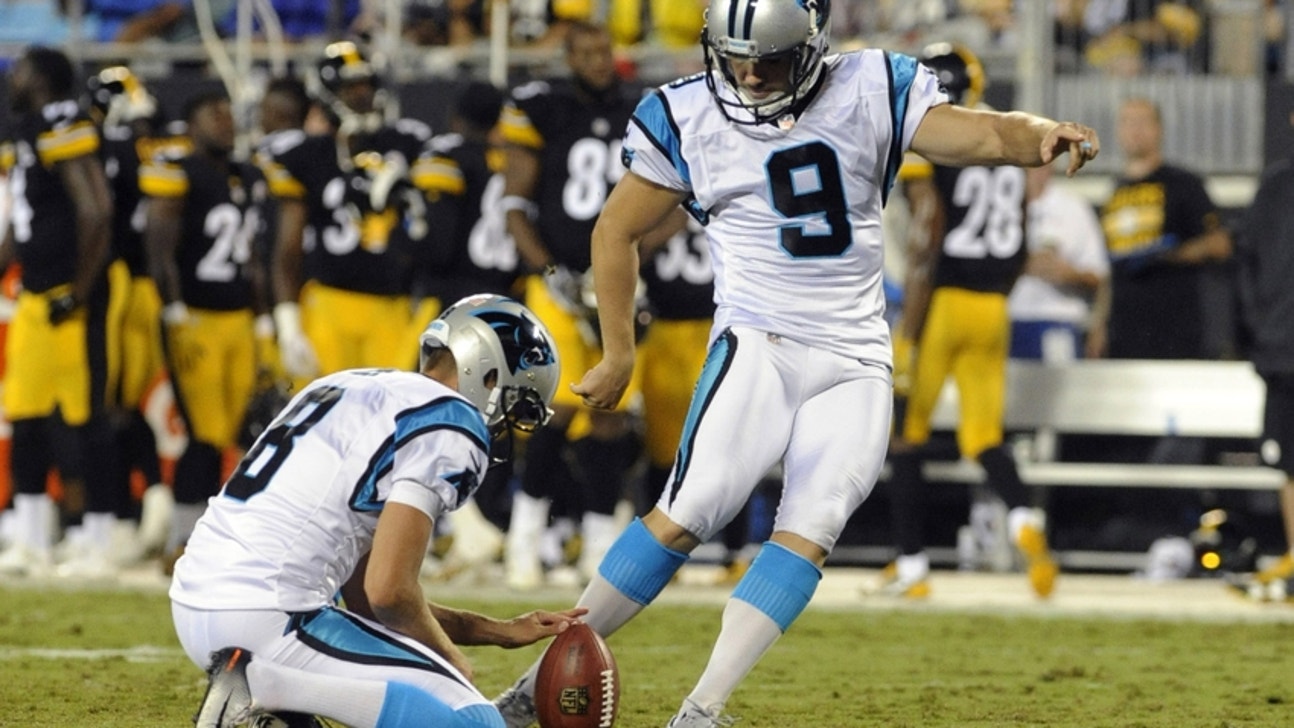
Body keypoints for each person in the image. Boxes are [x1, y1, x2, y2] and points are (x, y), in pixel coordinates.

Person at [492, 1, 1101, 725]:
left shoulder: (870, 85)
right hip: (759, 341)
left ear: (812, 50)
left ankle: (702, 710)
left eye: (769, 58)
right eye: (737, 55)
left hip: (856, 356)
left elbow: (983, 132)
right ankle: (535, 688)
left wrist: (1041, 136)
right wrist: (620, 349)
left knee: (812, 526)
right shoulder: (687, 112)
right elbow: (616, 229)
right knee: (691, 507)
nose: (749, 73)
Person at [173, 293, 582, 728]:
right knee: (474, 721)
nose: (502, 424)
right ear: (490, 374)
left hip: (198, 603)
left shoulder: (349, 384)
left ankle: (270, 707)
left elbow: (367, 599)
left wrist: (495, 631)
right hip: (270, 617)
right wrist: (449, 659)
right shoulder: (451, 420)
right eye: (514, 404)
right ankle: (263, 688)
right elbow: (389, 592)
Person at [878, 42, 1058, 601]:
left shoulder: (940, 139)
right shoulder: (1000, 135)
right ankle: (1025, 522)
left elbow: (928, 232)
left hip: (944, 303)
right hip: (994, 306)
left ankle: (913, 567)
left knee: (906, 437)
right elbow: (1021, 234)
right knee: (983, 436)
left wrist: (914, 315)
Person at [498, 21, 643, 589]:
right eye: (586, 52)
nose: (599, 61)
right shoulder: (545, 108)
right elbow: (515, 206)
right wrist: (550, 270)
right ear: (568, 57)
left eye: (604, 49)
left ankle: (599, 547)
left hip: (617, 279)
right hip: (559, 278)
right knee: (553, 409)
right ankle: (524, 540)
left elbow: (673, 204)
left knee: (611, 415)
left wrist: (635, 265)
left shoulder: (642, 109)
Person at [0, 46, 122, 578]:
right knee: (25, 417)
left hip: (70, 300)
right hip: (35, 295)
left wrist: (80, 290)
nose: (14, 76)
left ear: (43, 78)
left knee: (86, 421)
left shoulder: (61, 118)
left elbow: (96, 209)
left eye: (22, 67)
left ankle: (98, 540)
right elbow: (23, 221)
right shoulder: (29, 128)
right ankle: (31, 539)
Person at [141, 89, 273, 565]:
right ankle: (183, 538)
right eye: (212, 112)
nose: (224, 121)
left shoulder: (245, 175)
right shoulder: (179, 170)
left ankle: (225, 539)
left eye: (227, 112)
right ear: (191, 121)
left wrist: (263, 319)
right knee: (202, 432)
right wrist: (175, 311)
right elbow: (159, 249)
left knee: (242, 430)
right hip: (196, 315)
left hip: (238, 318)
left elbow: (255, 255)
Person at [263, 41, 433, 390]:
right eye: (350, 87)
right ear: (326, 94)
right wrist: (288, 323)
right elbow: (288, 247)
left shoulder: (407, 144)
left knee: (388, 420)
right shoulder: (305, 155)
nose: (362, 95)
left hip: (392, 304)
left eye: (366, 85)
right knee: (323, 420)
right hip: (329, 302)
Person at [86, 65, 180, 561]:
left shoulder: (114, 148)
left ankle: (126, 515)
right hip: (155, 286)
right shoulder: (167, 148)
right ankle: (151, 502)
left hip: (122, 282)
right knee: (128, 404)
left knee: (110, 404)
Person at [1231, 109, 1294, 597]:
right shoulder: (1274, 188)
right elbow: (1247, 265)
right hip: (1282, 349)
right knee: (1287, 460)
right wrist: (1258, 330)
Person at [1008, 160, 1110, 362]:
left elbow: (1099, 275)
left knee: (1059, 391)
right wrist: (1020, 265)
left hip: (1058, 320)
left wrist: (1067, 273)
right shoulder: (1004, 206)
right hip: (1009, 318)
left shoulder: (1073, 209)